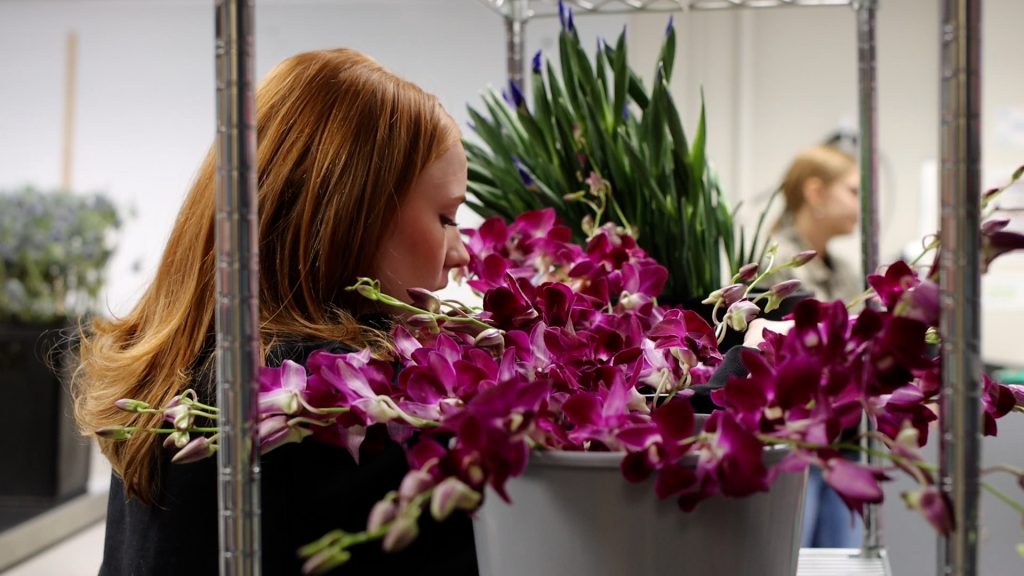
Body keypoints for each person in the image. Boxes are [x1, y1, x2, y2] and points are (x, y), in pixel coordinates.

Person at [72, 48, 475, 575]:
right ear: (352, 214)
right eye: (446, 217)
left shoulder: (179, 377)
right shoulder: (336, 402)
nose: (463, 252)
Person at [768, 143, 864, 548]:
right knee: (794, 554)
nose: (860, 203)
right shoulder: (777, 263)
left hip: (842, 434)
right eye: (853, 191)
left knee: (839, 558)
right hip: (795, 438)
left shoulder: (843, 270)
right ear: (815, 193)